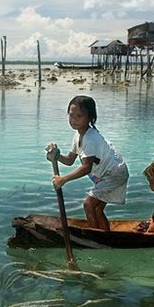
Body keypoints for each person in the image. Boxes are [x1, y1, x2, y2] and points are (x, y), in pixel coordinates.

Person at [45, 95, 129, 231]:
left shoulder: (90, 138)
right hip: (112, 174)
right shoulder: (78, 136)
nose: (74, 120)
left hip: (114, 174)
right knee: (96, 209)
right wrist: (56, 155)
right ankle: (105, 236)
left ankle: (96, 238)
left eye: (79, 116)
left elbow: (86, 167)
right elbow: (69, 160)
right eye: (71, 115)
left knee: (88, 204)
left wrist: (63, 179)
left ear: (90, 118)